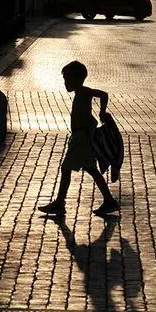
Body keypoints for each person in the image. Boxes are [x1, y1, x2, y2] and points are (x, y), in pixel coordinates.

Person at [38, 61, 120, 217]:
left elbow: (103, 94)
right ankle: (109, 200)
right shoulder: (80, 93)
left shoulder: (84, 92)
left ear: (77, 79)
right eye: (65, 80)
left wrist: (102, 112)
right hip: (81, 137)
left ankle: (60, 203)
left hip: (81, 138)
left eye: (68, 80)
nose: (66, 83)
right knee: (91, 170)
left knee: (66, 168)